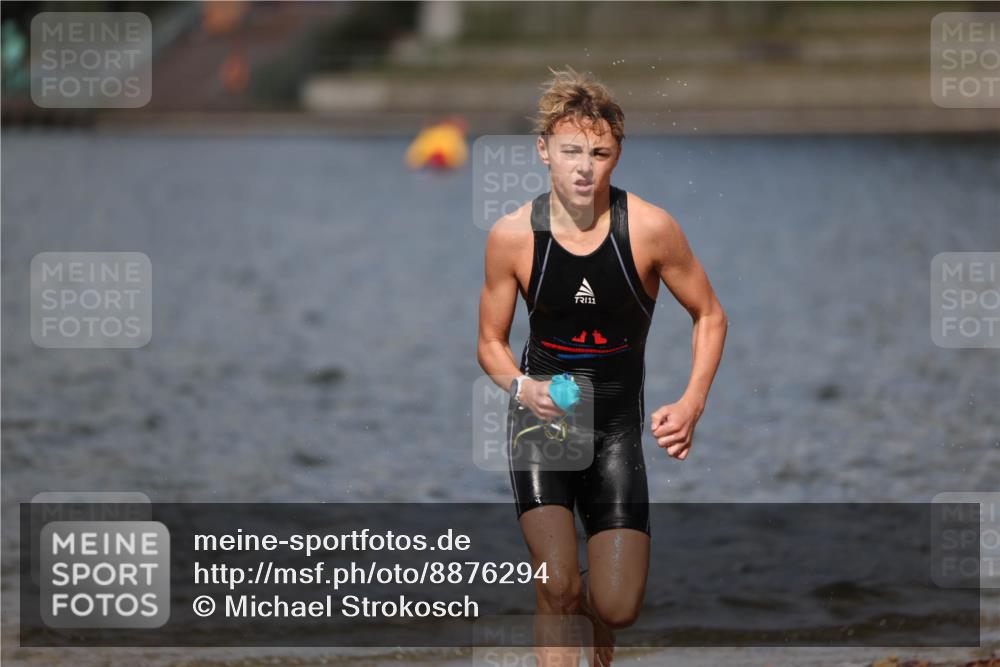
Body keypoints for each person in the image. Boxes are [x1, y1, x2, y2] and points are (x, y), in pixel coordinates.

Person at [477, 66, 728, 666]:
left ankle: (594, 611)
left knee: (616, 607)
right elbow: (489, 341)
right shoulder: (513, 236)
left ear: (617, 154)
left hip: (617, 429)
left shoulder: (649, 229)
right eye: (570, 151)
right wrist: (522, 386)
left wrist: (692, 402)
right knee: (557, 584)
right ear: (543, 152)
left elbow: (711, 316)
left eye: (599, 152)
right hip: (546, 425)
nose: (584, 167)